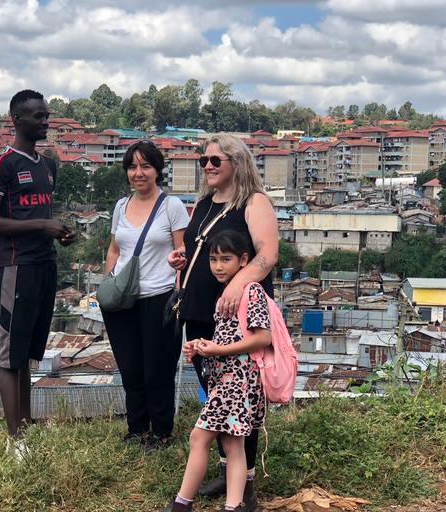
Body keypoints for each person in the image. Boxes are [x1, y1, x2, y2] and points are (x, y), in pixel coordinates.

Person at [167, 134, 279, 509]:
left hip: (237, 316)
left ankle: (245, 485)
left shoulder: (253, 202)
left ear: (237, 163)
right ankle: (227, 469)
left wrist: (236, 284)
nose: (208, 167)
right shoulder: (202, 203)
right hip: (199, 312)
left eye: (216, 160)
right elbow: (203, 246)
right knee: (216, 396)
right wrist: (182, 258)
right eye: (204, 161)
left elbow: (267, 255)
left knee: (239, 402)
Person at [0, 89, 76, 457]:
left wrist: (59, 233)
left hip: (44, 265)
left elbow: (41, 219)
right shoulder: (3, 163)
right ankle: (14, 439)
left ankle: (28, 426)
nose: (45, 122)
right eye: (37, 116)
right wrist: (41, 225)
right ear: (17, 119)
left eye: (46, 115)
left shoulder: (47, 165)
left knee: (28, 352)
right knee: (9, 356)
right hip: (16, 268)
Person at [161, 230, 272, 512]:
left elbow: (262, 338)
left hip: (237, 380)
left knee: (200, 438)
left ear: (244, 260)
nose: (218, 266)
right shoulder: (229, 292)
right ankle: (232, 506)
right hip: (230, 379)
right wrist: (201, 346)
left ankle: (182, 504)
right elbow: (232, 336)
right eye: (213, 259)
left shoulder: (251, 290)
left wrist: (217, 351)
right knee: (232, 444)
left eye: (226, 259)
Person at [101, 141, 189, 454]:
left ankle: (161, 433)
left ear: (157, 170)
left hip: (159, 297)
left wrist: (179, 286)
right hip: (122, 301)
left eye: (146, 166)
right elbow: (115, 249)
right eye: (133, 167)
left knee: (158, 370)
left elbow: (184, 253)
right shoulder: (120, 206)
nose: (139, 173)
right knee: (131, 368)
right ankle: (136, 429)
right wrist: (109, 282)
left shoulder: (172, 207)